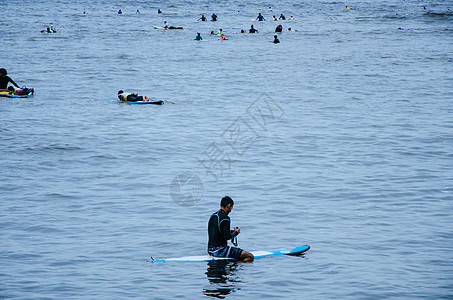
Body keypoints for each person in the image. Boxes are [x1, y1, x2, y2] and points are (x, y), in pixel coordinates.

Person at [208, 196, 254, 262]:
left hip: (210, 251)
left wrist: (231, 231)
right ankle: (238, 267)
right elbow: (227, 237)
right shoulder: (225, 218)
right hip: (220, 251)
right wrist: (236, 232)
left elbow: (217, 231)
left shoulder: (213, 216)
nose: (230, 210)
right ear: (229, 206)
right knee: (250, 256)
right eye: (231, 208)